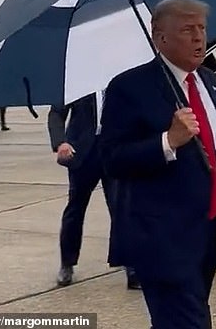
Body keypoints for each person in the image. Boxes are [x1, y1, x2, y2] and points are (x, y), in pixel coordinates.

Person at [99, 0, 216, 329]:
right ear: (160, 37)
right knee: (189, 322)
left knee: (178, 319)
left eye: (201, 28)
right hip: (161, 238)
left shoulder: (214, 84)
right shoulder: (129, 88)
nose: (199, 38)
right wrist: (167, 141)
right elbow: (112, 160)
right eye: (188, 30)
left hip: (209, 232)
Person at [47, 92, 139, 289]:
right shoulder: (76, 81)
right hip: (81, 153)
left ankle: (131, 267)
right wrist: (60, 142)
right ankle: (67, 263)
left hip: (113, 151)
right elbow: (56, 113)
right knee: (75, 209)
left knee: (120, 209)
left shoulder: (117, 78)